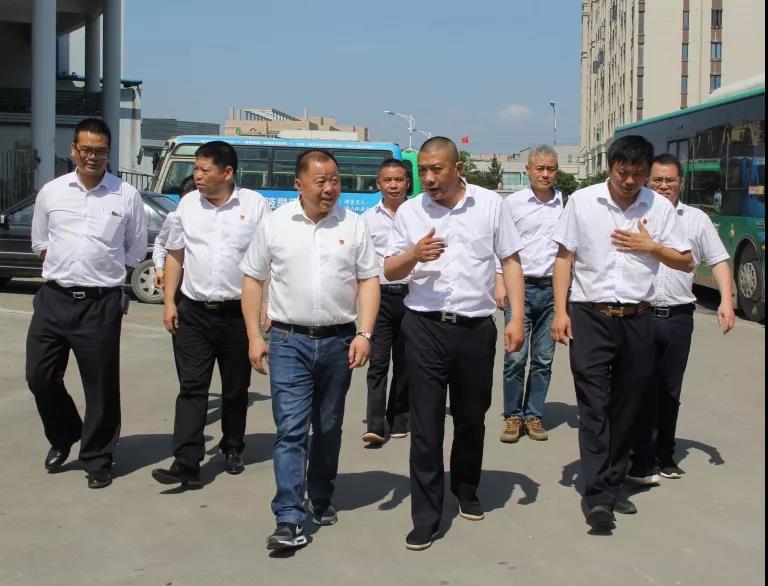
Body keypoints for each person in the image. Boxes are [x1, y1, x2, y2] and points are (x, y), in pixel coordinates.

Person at [384, 137, 526, 551]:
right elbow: (389, 270)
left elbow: (510, 260)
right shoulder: (410, 212)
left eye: (437, 169)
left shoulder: (490, 205)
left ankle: (466, 487)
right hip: (424, 327)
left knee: (471, 417)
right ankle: (426, 515)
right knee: (426, 424)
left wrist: (516, 317)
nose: (428, 178)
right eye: (422, 171)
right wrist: (414, 254)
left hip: (475, 328)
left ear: (457, 167)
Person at [551, 135, 694, 532]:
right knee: (594, 405)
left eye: (638, 174)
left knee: (627, 407)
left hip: (638, 318)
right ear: (610, 167)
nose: (630, 181)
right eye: (622, 172)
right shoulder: (583, 201)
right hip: (590, 315)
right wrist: (560, 311)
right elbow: (564, 257)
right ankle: (598, 497)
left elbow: (685, 262)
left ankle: (613, 484)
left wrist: (652, 247)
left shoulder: (659, 207)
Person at [240, 149, 380, 551]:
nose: (330, 188)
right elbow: (253, 279)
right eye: (321, 181)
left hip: (339, 341)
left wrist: (364, 333)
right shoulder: (275, 224)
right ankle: (288, 516)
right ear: (298, 184)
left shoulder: (353, 225)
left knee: (329, 426)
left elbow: (369, 280)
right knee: (291, 430)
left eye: (335, 180)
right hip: (288, 342)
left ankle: (320, 493)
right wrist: (254, 336)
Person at [26, 117, 147, 489]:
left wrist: (103, 280)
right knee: (39, 376)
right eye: (86, 150)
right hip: (54, 299)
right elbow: (41, 244)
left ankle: (98, 457)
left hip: (100, 304)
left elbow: (135, 251)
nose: (93, 157)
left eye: (100, 151)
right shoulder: (52, 192)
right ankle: (64, 433)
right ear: (73, 150)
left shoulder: (125, 196)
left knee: (100, 386)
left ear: (109, 153)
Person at [151, 141, 269, 488]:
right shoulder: (188, 204)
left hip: (237, 314)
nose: (197, 176)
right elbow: (176, 254)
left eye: (204, 170)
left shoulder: (254, 205)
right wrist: (169, 301)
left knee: (235, 388)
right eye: (196, 169)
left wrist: (266, 304)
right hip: (194, 312)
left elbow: (268, 259)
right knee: (192, 387)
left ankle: (232, 446)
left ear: (227, 172)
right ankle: (186, 462)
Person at [626, 153, 735, 485]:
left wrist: (726, 301)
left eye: (669, 180)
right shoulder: (634, 213)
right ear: (648, 181)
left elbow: (718, 260)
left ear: (680, 183)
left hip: (678, 317)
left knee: (670, 389)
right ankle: (639, 457)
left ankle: (665, 454)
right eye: (657, 179)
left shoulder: (696, 219)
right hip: (640, 315)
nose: (663, 186)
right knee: (640, 386)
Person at [495, 145, 563, 444]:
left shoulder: (566, 204)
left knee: (543, 359)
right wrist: (500, 282)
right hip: (519, 288)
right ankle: (513, 415)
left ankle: (533, 414)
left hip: (552, 290)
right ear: (528, 170)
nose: (545, 174)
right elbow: (501, 247)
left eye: (551, 169)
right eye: (540, 168)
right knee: (515, 356)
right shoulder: (512, 204)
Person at [360, 159, 411, 445]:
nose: (393, 185)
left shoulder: (418, 215)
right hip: (378, 297)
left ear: (407, 183)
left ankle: (400, 417)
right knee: (378, 362)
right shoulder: (367, 219)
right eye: (388, 180)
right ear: (378, 183)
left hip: (411, 297)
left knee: (405, 362)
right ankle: (376, 424)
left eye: (399, 180)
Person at [152, 174, 196, 290]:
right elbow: (161, 243)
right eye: (183, 201)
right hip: (179, 278)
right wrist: (159, 268)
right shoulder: (174, 218)